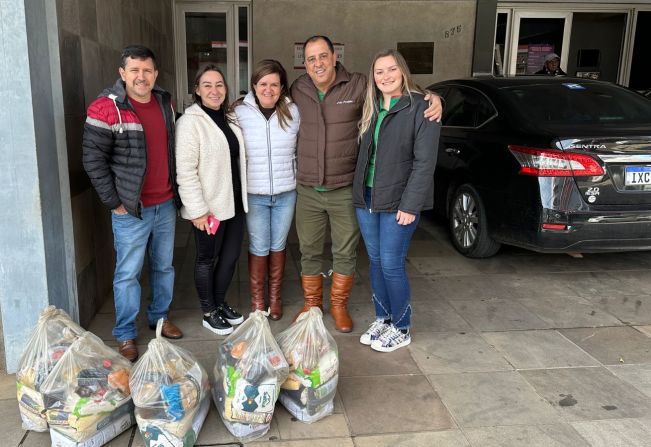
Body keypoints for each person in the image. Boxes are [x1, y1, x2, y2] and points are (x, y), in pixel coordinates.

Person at [290, 35, 442, 332]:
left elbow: (407, 99)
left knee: (353, 254)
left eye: (323, 56)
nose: (317, 63)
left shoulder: (358, 85)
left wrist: (435, 97)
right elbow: (265, 95)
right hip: (315, 187)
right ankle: (313, 305)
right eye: (310, 59)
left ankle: (340, 306)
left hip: (345, 186)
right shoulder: (298, 88)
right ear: (304, 64)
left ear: (335, 57)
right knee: (312, 250)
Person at [82, 45, 183, 362]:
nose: (142, 77)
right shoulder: (106, 108)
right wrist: (115, 202)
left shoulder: (165, 102)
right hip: (131, 208)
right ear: (122, 73)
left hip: (165, 203)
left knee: (163, 266)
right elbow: (92, 159)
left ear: (155, 73)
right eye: (135, 70)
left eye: (147, 70)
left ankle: (159, 317)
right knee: (128, 273)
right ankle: (125, 334)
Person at [353, 49, 439, 352]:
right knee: (375, 263)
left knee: (391, 265)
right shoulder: (372, 106)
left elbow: (424, 162)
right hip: (367, 196)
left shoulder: (422, 107)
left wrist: (410, 205)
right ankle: (383, 319)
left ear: (402, 71)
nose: (385, 76)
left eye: (391, 69)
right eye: (379, 72)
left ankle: (401, 327)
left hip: (398, 202)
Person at [175, 65, 247, 336]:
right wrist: (198, 210)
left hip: (234, 203)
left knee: (229, 258)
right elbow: (185, 170)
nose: (214, 90)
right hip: (209, 209)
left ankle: (219, 302)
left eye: (219, 85)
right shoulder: (190, 122)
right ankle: (208, 312)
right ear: (197, 90)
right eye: (207, 85)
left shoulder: (229, 118)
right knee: (207, 259)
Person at [234, 60, 300, 320]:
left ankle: (275, 298)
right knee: (259, 246)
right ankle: (258, 300)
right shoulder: (239, 112)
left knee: (278, 245)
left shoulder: (293, 111)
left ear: (282, 86)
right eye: (263, 84)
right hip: (255, 193)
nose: (268, 89)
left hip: (286, 192)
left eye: (274, 84)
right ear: (254, 85)